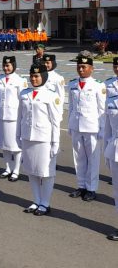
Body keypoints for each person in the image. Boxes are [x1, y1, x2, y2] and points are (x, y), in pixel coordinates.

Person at [18, 63, 62, 216]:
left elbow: (56, 122)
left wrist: (55, 143)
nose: (33, 79)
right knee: (32, 171)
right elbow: (20, 117)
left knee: (46, 172)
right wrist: (19, 135)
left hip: (44, 139)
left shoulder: (51, 96)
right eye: (32, 76)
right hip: (28, 137)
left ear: (43, 77)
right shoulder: (24, 94)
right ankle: (36, 200)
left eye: (36, 76)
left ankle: (45, 203)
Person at [67, 55, 106, 202]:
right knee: (79, 158)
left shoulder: (98, 85)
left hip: (92, 127)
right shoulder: (72, 85)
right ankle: (81, 185)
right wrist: (70, 125)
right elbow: (70, 107)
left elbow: (102, 110)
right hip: (76, 125)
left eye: (84, 67)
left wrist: (102, 129)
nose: (81, 69)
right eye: (79, 67)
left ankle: (91, 188)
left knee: (93, 159)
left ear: (91, 69)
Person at [0, 56, 28, 181]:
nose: (6, 68)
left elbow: (23, 99)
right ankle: (8, 168)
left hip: (14, 116)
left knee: (15, 145)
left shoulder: (20, 80)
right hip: (1, 115)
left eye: (8, 65)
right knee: (4, 144)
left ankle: (16, 170)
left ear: (14, 65)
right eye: (4, 65)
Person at [103, 82, 118, 239]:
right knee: (117, 191)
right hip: (115, 149)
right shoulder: (111, 102)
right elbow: (107, 131)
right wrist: (106, 153)